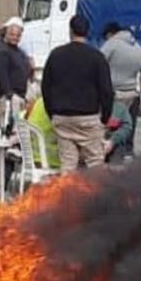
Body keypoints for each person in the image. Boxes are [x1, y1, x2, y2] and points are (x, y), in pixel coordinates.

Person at [41, 15, 114, 171]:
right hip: (88, 118)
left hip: (62, 118)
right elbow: (107, 91)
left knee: (68, 164)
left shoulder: (56, 55)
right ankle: (98, 195)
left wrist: (51, 113)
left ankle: (67, 194)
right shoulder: (97, 57)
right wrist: (105, 118)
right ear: (87, 32)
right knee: (95, 163)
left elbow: (45, 87)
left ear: (70, 30)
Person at [100, 21, 141, 155]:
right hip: (133, 95)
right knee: (127, 127)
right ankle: (126, 155)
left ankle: (109, 155)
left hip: (114, 95)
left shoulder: (112, 44)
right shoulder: (137, 47)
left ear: (110, 34)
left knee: (110, 127)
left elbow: (97, 62)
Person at [0, 17, 29, 104]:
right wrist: (10, 95)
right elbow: (2, 76)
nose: (15, 37)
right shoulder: (1, 52)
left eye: (18, 35)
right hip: (8, 98)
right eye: (12, 34)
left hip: (20, 96)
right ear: (5, 34)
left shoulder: (20, 52)